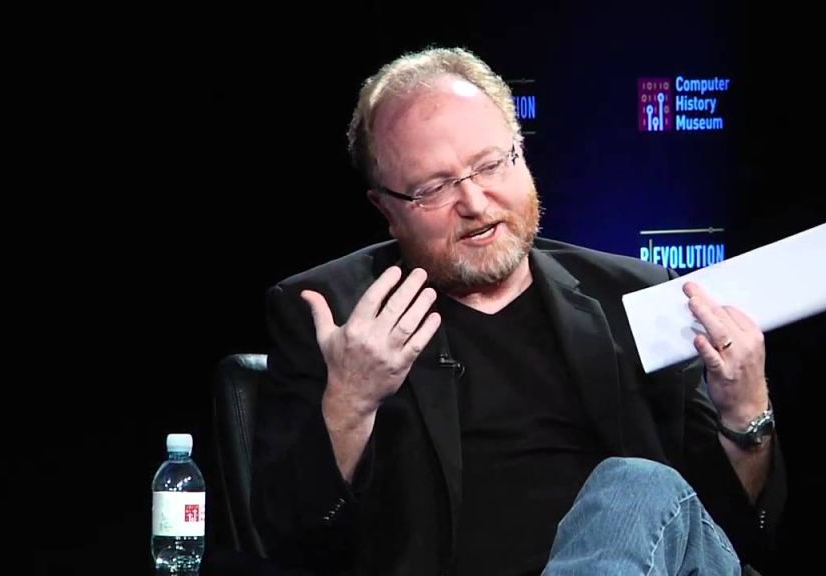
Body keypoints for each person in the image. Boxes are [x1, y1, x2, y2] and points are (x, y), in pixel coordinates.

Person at [251, 46, 785, 575]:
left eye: (489, 165)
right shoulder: (336, 315)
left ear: (521, 154)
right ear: (386, 208)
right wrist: (350, 403)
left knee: (638, 485)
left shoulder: (632, 296)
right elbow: (293, 542)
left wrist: (745, 416)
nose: (476, 204)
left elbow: (722, 534)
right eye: (434, 188)